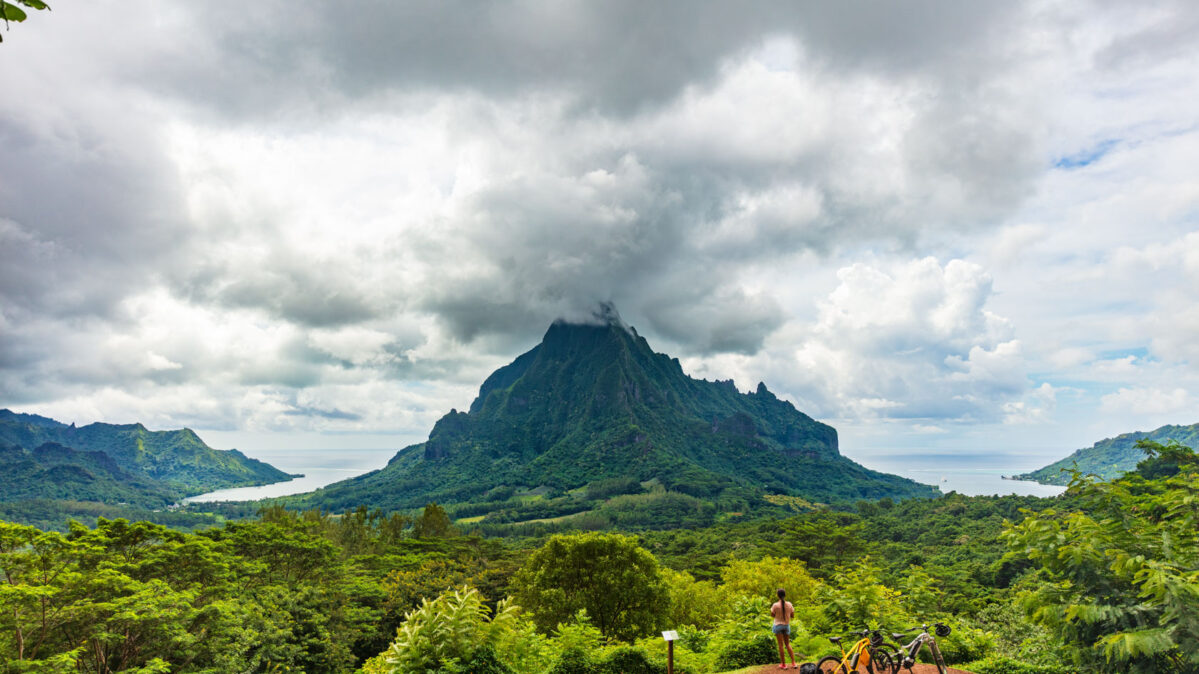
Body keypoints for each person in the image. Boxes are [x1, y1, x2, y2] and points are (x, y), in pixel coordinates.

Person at [771, 588, 796, 670]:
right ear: (785, 595)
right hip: (786, 626)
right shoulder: (789, 604)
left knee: (780, 645)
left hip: (778, 626)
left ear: (777, 595)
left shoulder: (775, 605)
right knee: (787, 644)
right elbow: (792, 615)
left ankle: (784, 665)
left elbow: (772, 615)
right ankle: (793, 663)